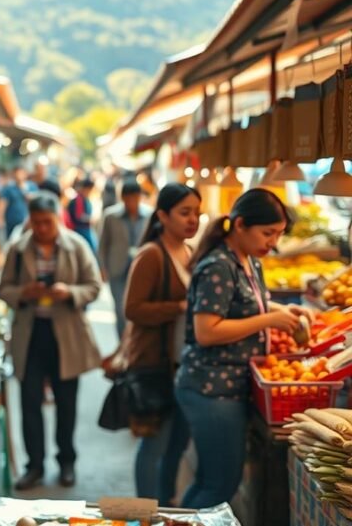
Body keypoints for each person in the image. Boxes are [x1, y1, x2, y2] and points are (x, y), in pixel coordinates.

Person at [176, 188, 309, 508]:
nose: (273, 243)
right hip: (212, 389)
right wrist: (268, 320)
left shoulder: (248, 261)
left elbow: (247, 306)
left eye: (277, 235)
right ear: (240, 225)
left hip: (230, 386)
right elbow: (206, 331)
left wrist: (280, 311)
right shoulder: (218, 266)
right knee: (218, 484)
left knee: (213, 480)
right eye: (267, 233)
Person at [0, 192, 102, 490]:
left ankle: (66, 461)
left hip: (66, 334)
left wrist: (69, 292)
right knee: (29, 401)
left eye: (47, 222)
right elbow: (3, 288)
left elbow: (94, 286)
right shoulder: (18, 250)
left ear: (57, 218)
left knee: (66, 402)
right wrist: (23, 293)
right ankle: (35, 466)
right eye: (37, 222)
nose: (42, 228)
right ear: (30, 221)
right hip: (30, 334)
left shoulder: (76, 246)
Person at [118, 183, 202, 505]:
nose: (192, 219)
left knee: (176, 443)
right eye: (184, 213)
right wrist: (178, 308)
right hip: (154, 363)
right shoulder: (152, 255)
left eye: (196, 212)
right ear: (162, 216)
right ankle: (146, 510)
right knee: (155, 443)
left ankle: (165, 506)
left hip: (180, 363)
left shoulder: (190, 252)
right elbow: (132, 309)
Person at [98, 179, 152, 337]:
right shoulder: (111, 216)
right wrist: (102, 268)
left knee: (138, 309)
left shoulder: (149, 214)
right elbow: (103, 244)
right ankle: (122, 344)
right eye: (127, 199)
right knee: (120, 310)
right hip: (117, 268)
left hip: (141, 269)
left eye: (134, 198)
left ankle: (134, 344)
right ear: (122, 198)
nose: (131, 202)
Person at [0, 165, 36, 242]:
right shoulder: (8, 189)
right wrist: (0, 221)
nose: (19, 175)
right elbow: (2, 207)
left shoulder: (32, 187)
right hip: (13, 225)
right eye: (16, 173)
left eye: (21, 173)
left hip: (29, 225)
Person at [67, 177, 97, 252]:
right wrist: (89, 219)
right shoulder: (78, 199)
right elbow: (78, 216)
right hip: (80, 230)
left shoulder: (85, 199)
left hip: (86, 229)